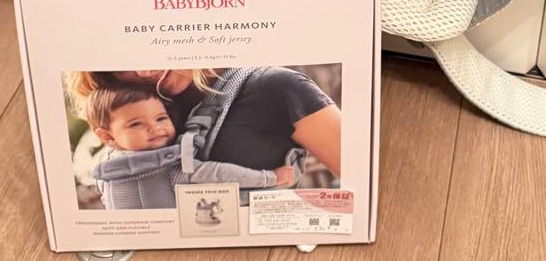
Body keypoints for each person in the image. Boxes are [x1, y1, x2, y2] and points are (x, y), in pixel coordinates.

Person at [69, 66, 342, 181]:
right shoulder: (126, 124)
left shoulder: (276, 87)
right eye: (122, 67)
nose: (145, 71)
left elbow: (359, 180)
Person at [84, 85, 296, 210]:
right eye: (136, 124)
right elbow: (220, 173)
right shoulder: (171, 167)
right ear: (107, 136)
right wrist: (270, 178)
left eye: (161, 118)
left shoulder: (104, 170)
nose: (155, 128)